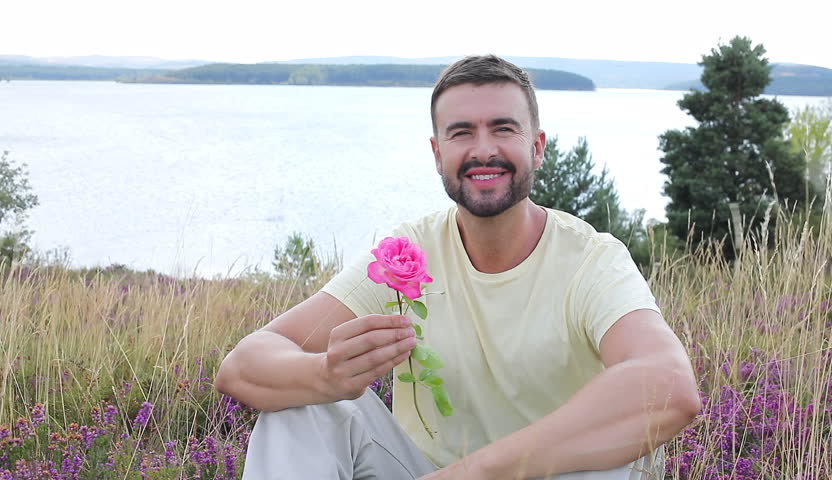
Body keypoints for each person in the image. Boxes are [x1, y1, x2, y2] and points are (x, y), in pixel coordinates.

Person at [214, 54, 701, 480]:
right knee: (298, 412)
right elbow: (242, 365)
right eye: (461, 132)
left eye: (504, 128)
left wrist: (481, 469)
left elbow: (670, 386)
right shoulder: (406, 254)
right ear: (437, 153)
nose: (483, 149)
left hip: (545, 474)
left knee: (615, 463)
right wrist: (325, 375)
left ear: (537, 146)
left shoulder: (590, 259)